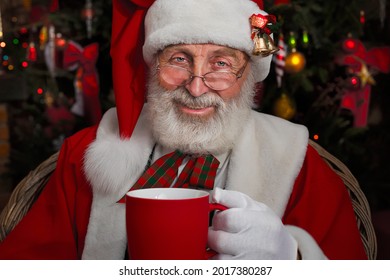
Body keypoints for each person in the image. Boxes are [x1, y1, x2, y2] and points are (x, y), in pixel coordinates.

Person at [0, 0, 367, 260]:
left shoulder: (297, 161)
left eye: (221, 63)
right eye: (178, 59)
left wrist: (293, 260)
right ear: (151, 67)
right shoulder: (87, 152)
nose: (195, 86)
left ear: (250, 76)